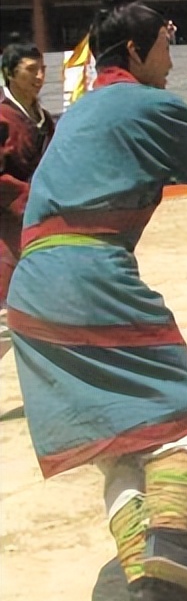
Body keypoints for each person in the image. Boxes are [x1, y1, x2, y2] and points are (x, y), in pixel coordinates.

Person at [7, 0, 187, 601]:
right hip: (89, 276)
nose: (171, 54)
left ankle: (148, 576)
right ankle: (172, 543)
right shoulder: (140, 105)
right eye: (167, 41)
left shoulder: (79, 109)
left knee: (123, 440)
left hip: (33, 286)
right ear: (134, 49)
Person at [0, 38, 56, 360]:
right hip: (8, 226)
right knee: (6, 316)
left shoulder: (43, 119)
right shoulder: (3, 118)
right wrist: (29, 198)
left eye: (42, 70)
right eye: (31, 70)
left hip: (41, 225)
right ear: (9, 73)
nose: (39, 77)